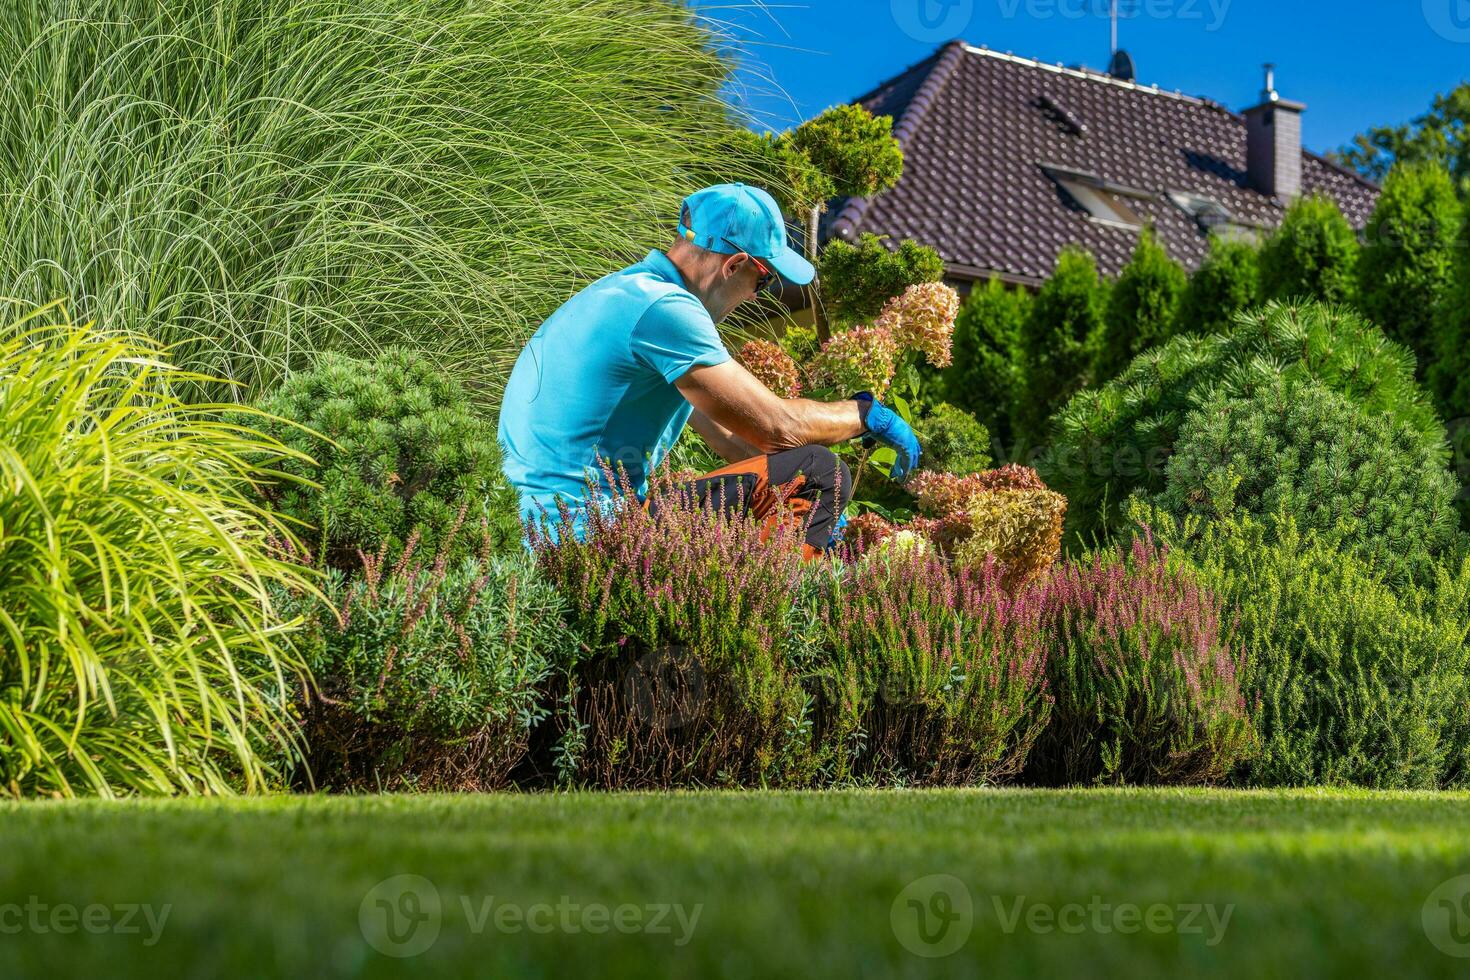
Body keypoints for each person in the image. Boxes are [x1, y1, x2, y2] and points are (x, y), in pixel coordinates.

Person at [497, 182, 921, 558]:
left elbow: (735, 439)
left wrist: (817, 512)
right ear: (734, 265)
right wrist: (866, 414)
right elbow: (778, 426)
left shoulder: (625, 291)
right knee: (821, 470)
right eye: (765, 280)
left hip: (521, 526)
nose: (758, 297)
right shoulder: (667, 310)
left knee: (806, 475)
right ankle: (780, 617)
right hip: (579, 535)